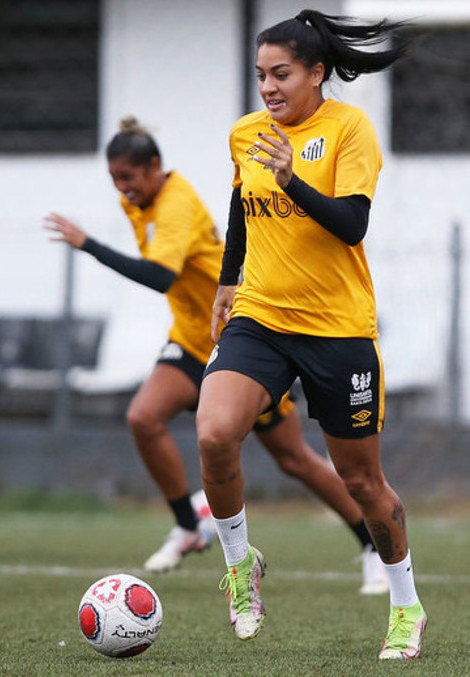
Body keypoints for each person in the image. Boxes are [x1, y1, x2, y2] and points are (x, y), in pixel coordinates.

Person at [44, 116, 387, 593]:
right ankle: (190, 526)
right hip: (191, 337)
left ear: (156, 167)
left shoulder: (176, 203)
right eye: (115, 180)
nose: (123, 189)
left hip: (248, 343)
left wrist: (89, 246)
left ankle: (370, 545)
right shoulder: (142, 201)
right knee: (144, 416)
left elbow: (162, 275)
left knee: (295, 459)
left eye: (129, 178)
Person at [197, 9, 425, 660]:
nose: (267, 88)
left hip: (336, 329)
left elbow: (351, 224)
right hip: (261, 317)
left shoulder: (348, 129)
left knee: (362, 484)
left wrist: (291, 177)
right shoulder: (246, 134)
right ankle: (240, 568)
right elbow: (242, 207)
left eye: (281, 74)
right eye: (260, 76)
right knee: (214, 431)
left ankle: (405, 604)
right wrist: (226, 278)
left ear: (315, 73)